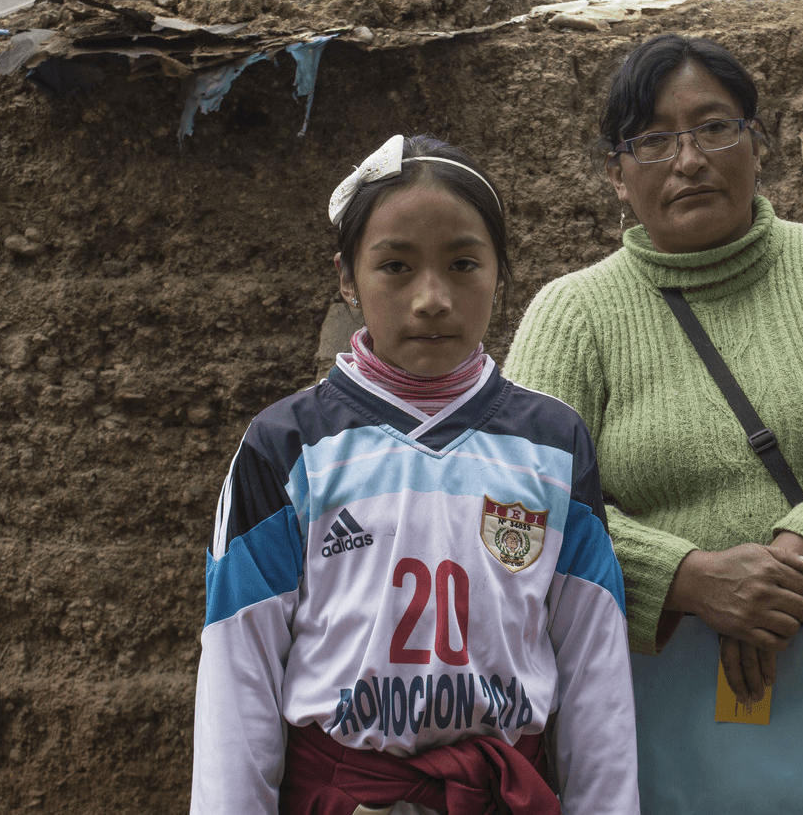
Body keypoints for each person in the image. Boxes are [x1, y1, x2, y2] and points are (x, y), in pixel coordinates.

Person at [503, 34, 803, 814]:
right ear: (617, 175)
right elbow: (521, 505)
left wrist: (788, 566)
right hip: (661, 714)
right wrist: (693, 580)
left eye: (714, 127)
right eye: (653, 140)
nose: (688, 160)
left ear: (758, 145)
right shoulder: (574, 313)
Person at [191, 134, 639, 815]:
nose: (432, 298)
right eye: (396, 267)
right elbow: (238, 677)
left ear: (499, 271)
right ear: (347, 278)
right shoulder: (287, 449)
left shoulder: (552, 445)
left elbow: (594, 674)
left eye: (463, 263)